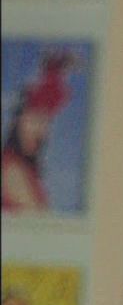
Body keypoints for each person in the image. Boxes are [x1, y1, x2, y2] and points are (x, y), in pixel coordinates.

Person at [1, 48, 76, 213]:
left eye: (46, 122)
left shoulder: (27, 170)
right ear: (17, 121)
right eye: (35, 120)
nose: (41, 131)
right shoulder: (11, 169)